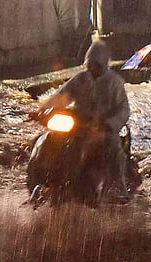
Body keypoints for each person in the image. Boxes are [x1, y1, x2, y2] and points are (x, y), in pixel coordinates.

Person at [37, 40, 130, 199]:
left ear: (103, 64)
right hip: (79, 128)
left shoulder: (115, 83)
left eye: (95, 64)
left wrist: (109, 124)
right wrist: (43, 109)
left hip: (104, 129)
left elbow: (124, 110)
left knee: (114, 151)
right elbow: (61, 96)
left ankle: (118, 189)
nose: (91, 67)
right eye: (90, 63)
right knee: (55, 143)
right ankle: (51, 182)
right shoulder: (79, 79)